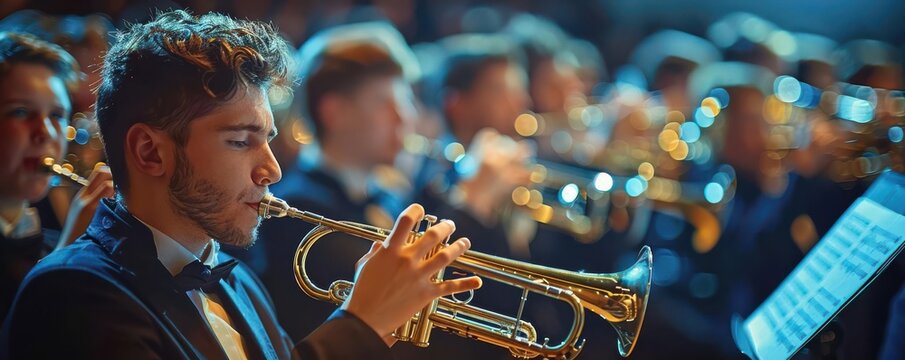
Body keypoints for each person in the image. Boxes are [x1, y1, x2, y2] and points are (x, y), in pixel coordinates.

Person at [1, 10, 480, 359]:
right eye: (240, 141)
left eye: (268, 140)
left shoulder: (239, 279)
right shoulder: (70, 293)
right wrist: (359, 326)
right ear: (150, 152)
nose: (271, 169)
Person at [248, 22, 418, 342]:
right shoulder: (296, 212)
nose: (405, 117)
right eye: (385, 102)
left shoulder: (389, 197)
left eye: (405, 101)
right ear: (334, 112)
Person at [0, 31, 113, 324]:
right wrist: (70, 254)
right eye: (21, 112)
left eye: (57, 115)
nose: (47, 133)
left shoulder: (45, 243)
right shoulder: (60, 248)